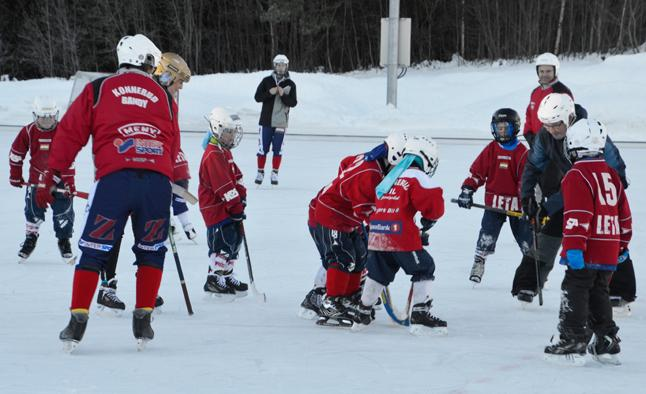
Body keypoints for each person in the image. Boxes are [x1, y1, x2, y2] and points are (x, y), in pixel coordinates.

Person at [37, 34, 180, 351]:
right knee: (152, 250)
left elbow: (70, 133)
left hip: (114, 180)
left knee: (94, 250)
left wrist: (53, 172)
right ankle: (143, 319)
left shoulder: (99, 88)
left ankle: (77, 322)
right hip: (156, 183)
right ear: (145, 60)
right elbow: (173, 144)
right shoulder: (166, 97)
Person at [95, 52, 193, 313]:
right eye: (178, 81)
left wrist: (174, 172)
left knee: (148, 233)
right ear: (166, 74)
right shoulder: (137, 94)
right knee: (112, 230)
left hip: (150, 177)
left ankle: (147, 290)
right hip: (121, 171)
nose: (180, 87)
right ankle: (107, 287)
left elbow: (172, 141)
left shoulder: (168, 103)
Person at [512, 93, 628, 304]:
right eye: (547, 124)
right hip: (572, 190)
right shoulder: (545, 136)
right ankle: (528, 283)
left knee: (607, 240)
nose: (552, 129)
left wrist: (549, 205)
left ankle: (620, 290)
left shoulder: (589, 132)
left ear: (569, 117)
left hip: (601, 191)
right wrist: (528, 197)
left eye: (556, 124)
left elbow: (614, 167)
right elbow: (533, 165)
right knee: (548, 233)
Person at [544, 118, 631, 366]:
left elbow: (577, 216)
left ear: (572, 145)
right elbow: (624, 213)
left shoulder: (576, 174)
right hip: (609, 247)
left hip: (587, 247)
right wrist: (622, 244)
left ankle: (572, 338)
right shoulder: (611, 174)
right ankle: (606, 341)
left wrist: (573, 248)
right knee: (599, 292)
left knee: (575, 289)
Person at [298, 134, 407, 319]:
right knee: (343, 258)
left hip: (346, 218)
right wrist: (385, 229)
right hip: (328, 215)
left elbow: (345, 163)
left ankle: (348, 296)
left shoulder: (374, 162)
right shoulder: (369, 173)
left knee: (360, 256)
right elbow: (366, 209)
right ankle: (331, 302)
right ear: (394, 157)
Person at [351, 136, 447, 335]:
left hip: (377, 232)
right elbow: (432, 203)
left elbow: (390, 206)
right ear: (426, 157)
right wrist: (429, 219)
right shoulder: (417, 176)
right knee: (424, 267)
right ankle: (421, 314)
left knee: (378, 272)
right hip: (399, 233)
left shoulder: (391, 176)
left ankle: (363, 312)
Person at [456, 108, 531, 284]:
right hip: (494, 204)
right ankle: (479, 262)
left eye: (506, 127)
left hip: (516, 206)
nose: (502, 131)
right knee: (487, 233)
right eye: (499, 128)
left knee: (527, 240)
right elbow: (477, 174)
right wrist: (468, 189)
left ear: (515, 128)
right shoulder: (491, 149)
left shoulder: (522, 153)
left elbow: (526, 181)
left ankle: (532, 271)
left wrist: (529, 202)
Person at [10, 96, 75, 264]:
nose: (46, 121)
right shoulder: (28, 131)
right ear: (35, 116)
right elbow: (16, 155)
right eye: (42, 118)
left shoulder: (64, 131)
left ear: (56, 115)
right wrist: (15, 175)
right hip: (36, 180)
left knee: (64, 212)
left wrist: (69, 183)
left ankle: (64, 240)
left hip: (59, 180)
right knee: (32, 210)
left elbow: (69, 159)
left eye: (50, 117)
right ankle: (31, 237)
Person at [199, 107, 248, 297]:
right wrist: (235, 205)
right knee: (222, 241)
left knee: (234, 241)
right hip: (216, 208)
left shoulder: (224, 151)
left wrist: (241, 197)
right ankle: (214, 277)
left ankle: (226, 275)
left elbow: (236, 176)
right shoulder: (213, 154)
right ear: (217, 130)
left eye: (233, 132)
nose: (232, 136)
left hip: (228, 206)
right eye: (228, 132)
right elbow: (223, 186)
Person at [253, 54, 297, 186]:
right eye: (278, 65)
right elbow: (257, 97)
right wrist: (270, 93)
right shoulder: (266, 81)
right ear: (275, 66)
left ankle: (274, 173)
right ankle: (260, 172)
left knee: (278, 149)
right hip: (265, 121)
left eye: (283, 65)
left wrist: (283, 94)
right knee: (262, 148)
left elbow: (293, 102)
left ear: (287, 66)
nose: (281, 67)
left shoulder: (290, 84)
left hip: (281, 122)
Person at [523, 53, 573, 148]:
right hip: (535, 142)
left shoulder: (561, 91)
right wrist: (528, 133)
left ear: (555, 71)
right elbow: (529, 114)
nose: (544, 74)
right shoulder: (535, 92)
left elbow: (567, 119)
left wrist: (548, 137)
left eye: (548, 71)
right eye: (541, 71)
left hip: (553, 143)